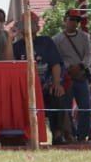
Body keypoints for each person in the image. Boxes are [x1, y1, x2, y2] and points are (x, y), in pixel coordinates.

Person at [13, 16, 65, 144]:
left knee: (57, 95)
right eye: (24, 24)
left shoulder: (46, 42)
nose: (28, 27)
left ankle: (58, 134)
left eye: (31, 24)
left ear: (38, 28)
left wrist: (56, 83)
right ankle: (24, 136)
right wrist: (10, 38)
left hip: (45, 86)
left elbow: (55, 63)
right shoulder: (17, 46)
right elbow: (10, 63)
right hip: (24, 89)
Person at [53, 9, 91, 142]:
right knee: (66, 108)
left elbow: (88, 54)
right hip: (66, 76)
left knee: (85, 106)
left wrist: (81, 66)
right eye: (71, 19)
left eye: (77, 20)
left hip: (81, 75)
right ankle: (70, 134)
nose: (74, 23)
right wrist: (68, 67)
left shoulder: (85, 37)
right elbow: (57, 58)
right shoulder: (56, 39)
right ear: (65, 20)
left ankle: (82, 135)